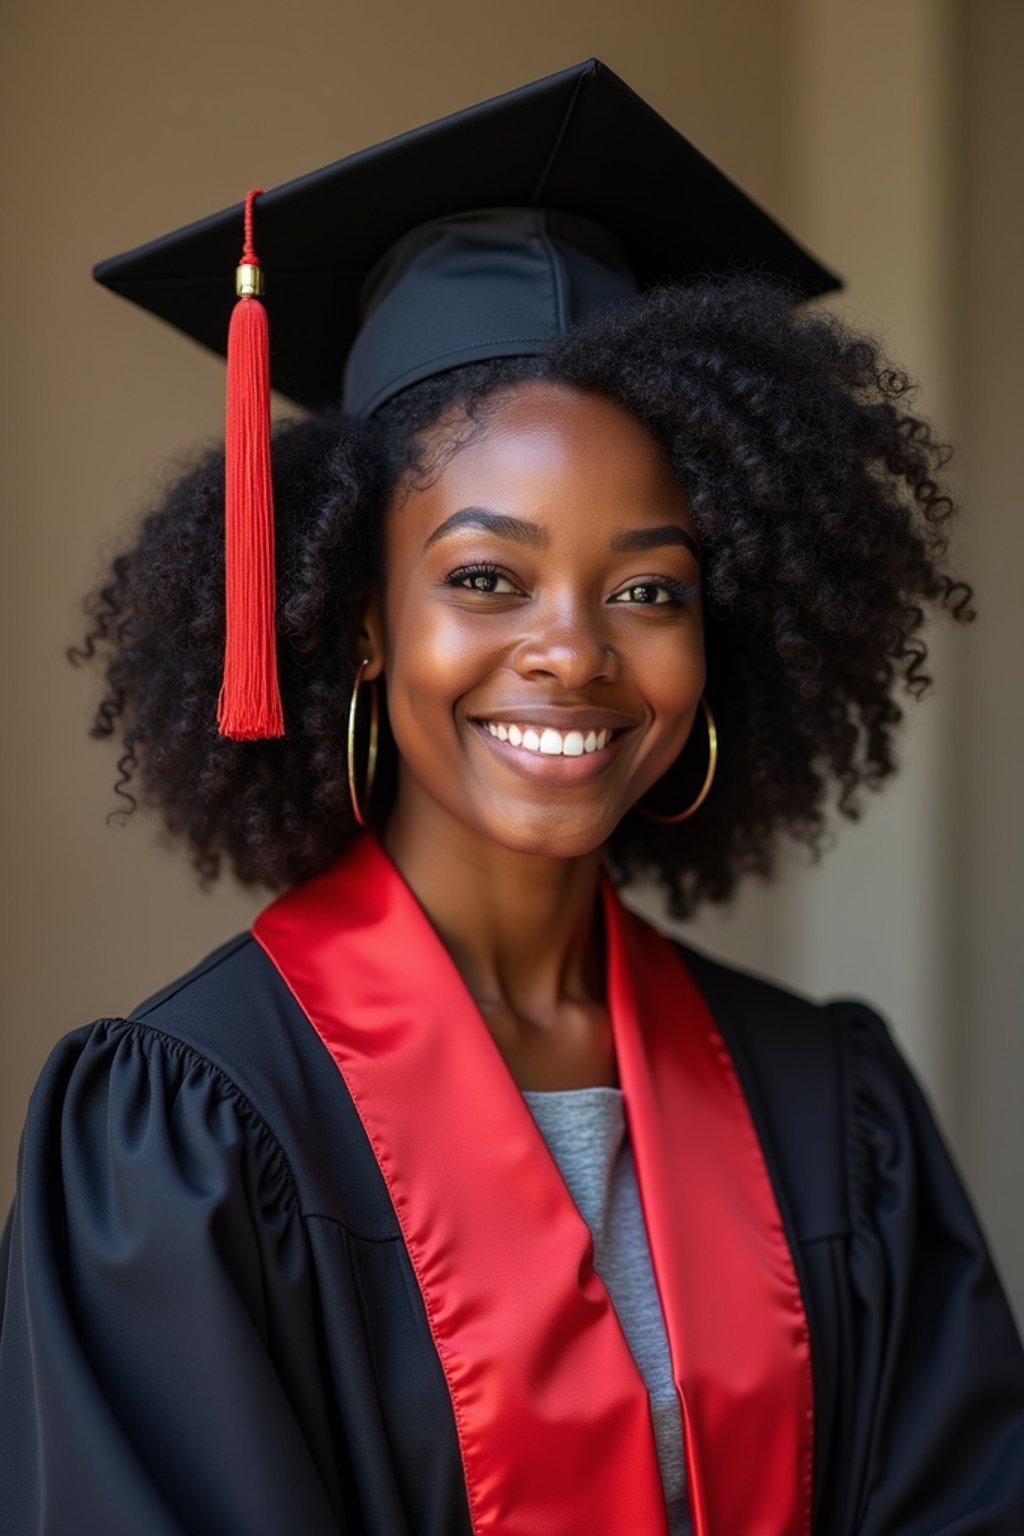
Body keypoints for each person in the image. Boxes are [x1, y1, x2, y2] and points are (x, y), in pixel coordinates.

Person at [1, 57, 1022, 1536]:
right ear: (357, 612)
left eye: (649, 588)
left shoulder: (828, 1105)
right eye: (486, 577)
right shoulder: (189, 1130)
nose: (573, 651)